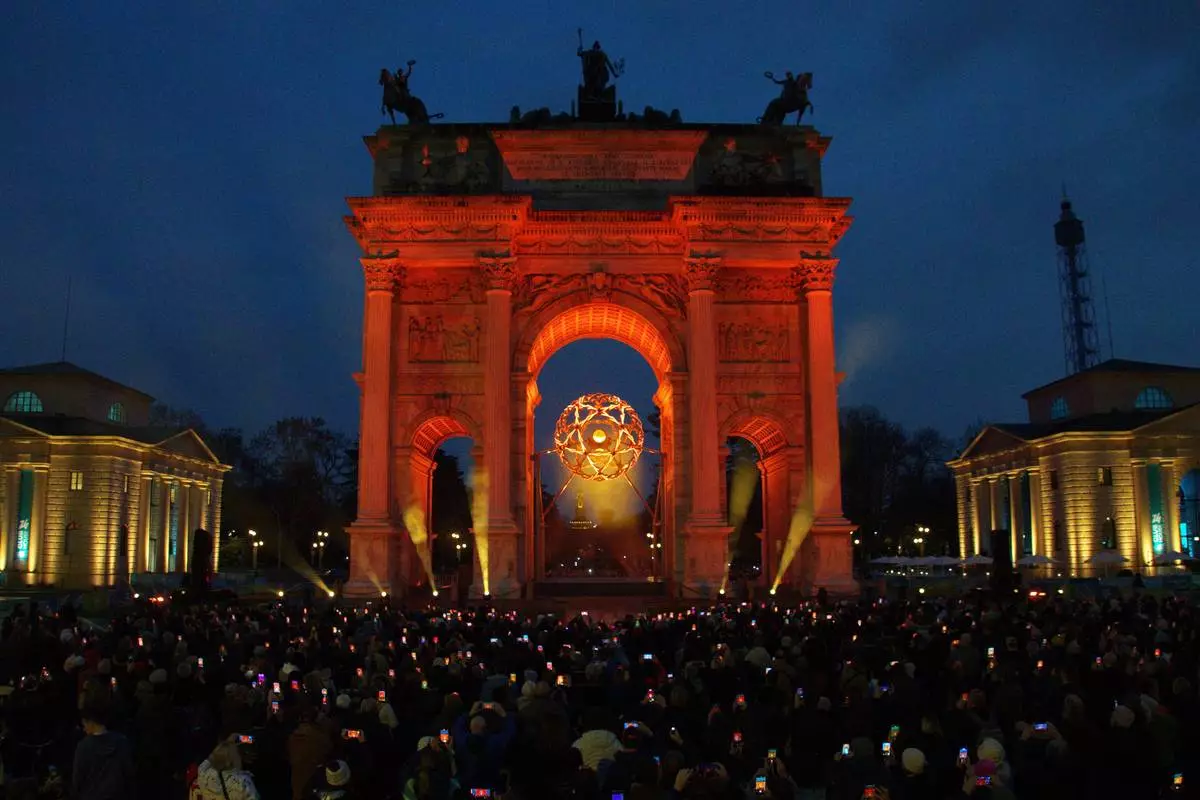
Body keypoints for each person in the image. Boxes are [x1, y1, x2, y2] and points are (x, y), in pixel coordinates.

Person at [71, 702, 135, 800]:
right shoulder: (121, 741)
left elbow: (77, 779)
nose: (84, 729)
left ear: (90, 722)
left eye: (84, 724)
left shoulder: (83, 746)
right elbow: (129, 773)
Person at [194, 735, 261, 800]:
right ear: (234, 759)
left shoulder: (204, 773)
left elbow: (210, 759)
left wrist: (226, 745)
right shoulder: (242, 782)